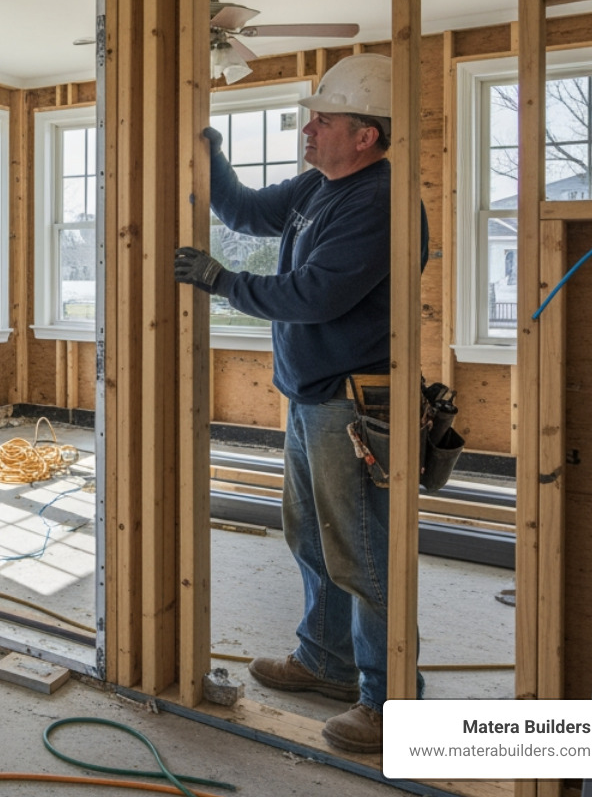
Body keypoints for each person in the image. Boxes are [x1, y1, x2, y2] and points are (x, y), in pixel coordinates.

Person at [172, 52, 427, 754]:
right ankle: (327, 661)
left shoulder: (379, 201)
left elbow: (317, 295)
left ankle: (388, 703)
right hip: (313, 399)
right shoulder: (320, 187)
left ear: (365, 135)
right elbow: (247, 211)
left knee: (363, 554)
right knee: (311, 539)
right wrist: (211, 154)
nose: (307, 130)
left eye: (323, 120)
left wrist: (223, 282)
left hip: (354, 407)